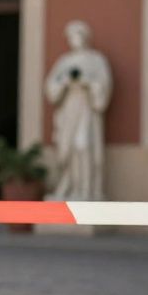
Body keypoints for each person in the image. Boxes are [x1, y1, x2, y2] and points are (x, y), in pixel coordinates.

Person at [44, 20, 112, 201]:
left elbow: (104, 86)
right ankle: (70, 188)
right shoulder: (64, 62)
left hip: (87, 111)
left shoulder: (96, 60)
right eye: (71, 36)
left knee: (83, 146)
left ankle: (86, 190)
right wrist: (64, 82)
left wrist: (89, 82)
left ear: (85, 37)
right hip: (69, 111)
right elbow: (51, 87)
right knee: (67, 150)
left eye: (77, 35)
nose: (74, 39)